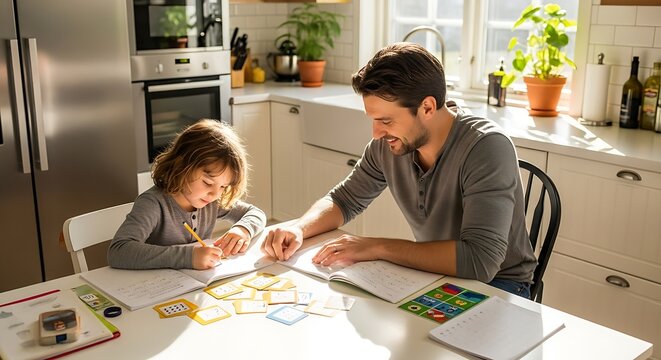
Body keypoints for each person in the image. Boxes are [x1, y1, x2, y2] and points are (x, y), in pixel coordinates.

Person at [261, 43, 537, 298]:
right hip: (437, 275)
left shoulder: (486, 147)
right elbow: (344, 200)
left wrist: (375, 247)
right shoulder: (390, 145)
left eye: (386, 120)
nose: (376, 133)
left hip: (501, 286)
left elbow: (480, 262)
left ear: (427, 107)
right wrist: (299, 228)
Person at [109, 119, 266, 270]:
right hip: (155, 289)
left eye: (223, 187)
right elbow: (118, 251)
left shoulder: (211, 202)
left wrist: (242, 230)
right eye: (208, 183)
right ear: (181, 166)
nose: (215, 194)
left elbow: (255, 213)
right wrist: (188, 257)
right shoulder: (153, 204)